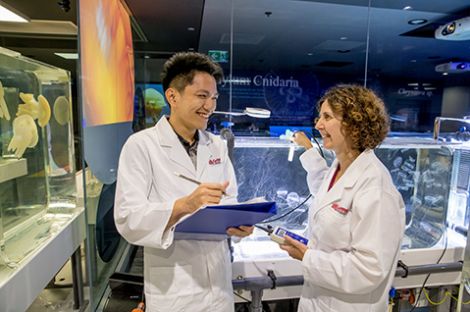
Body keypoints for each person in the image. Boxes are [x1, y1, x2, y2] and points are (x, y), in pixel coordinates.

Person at [114, 52, 253, 312]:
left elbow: (229, 199)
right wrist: (183, 205)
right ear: (172, 97)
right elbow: (127, 219)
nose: (209, 106)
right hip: (175, 291)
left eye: (213, 98)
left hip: (219, 288)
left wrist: (239, 223)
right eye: (201, 96)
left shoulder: (217, 147)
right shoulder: (141, 146)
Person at [282, 84, 406, 311]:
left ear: (354, 124)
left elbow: (369, 270)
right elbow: (325, 195)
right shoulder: (341, 167)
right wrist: (309, 149)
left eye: (327, 117)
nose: (318, 125)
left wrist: (308, 257)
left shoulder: (375, 188)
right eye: (319, 117)